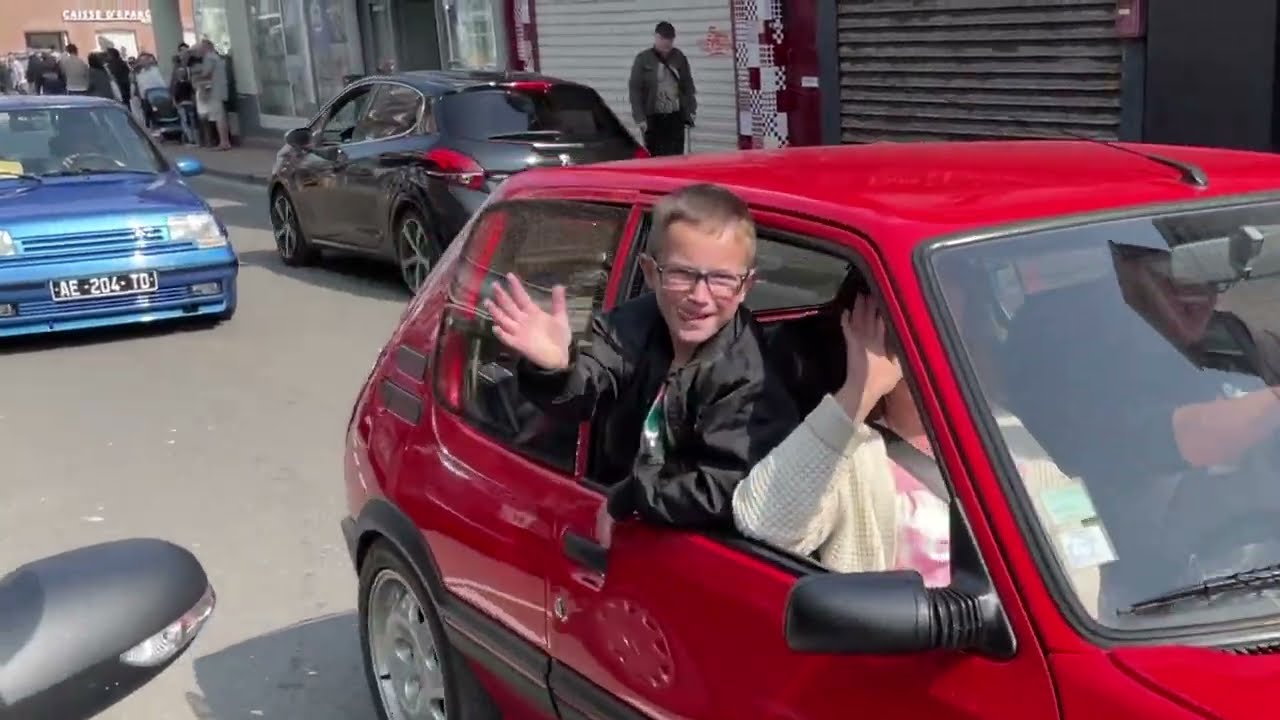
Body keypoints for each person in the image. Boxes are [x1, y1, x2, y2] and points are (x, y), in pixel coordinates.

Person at [485, 183, 797, 531]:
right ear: (650, 273)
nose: (700, 296)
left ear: (745, 287)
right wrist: (556, 368)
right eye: (681, 274)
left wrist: (631, 497)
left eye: (722, 279)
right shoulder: (632, 325)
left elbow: (730, 487)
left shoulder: (750, 376)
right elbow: (586, 384)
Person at [628, 21, 696, 157]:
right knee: (655, 156)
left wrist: (691, 109)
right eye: (663, 39)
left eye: (670, 39)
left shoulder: (679, 57)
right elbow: (635, 89)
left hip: (675, 116)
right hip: (653, 117)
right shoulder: (643, 59)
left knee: (676, 155)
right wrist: (640, 117)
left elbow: (688, 85)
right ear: (656, 37)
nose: (667, 43)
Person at [193, 39, 231, 150]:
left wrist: (196, 76)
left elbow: (206, 73)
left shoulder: (209, 58)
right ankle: (224, 141)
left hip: (214, 91)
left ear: (206, 48)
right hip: (219, 89)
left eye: (200, 48)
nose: (199, 51)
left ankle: (224, 142)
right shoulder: (216, 57)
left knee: (219, 117)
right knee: (220, 115)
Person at [170, 45, 198, 145]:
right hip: (183, 99)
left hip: (191, 97)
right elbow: (173, 84)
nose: (184, 54)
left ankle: (195, 138)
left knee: (192, 119)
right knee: (186, 119)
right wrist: (173, 98)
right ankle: (190, 138)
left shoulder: (193, 65)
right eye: (182, 52)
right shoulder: (177, 68)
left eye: (186, 52)